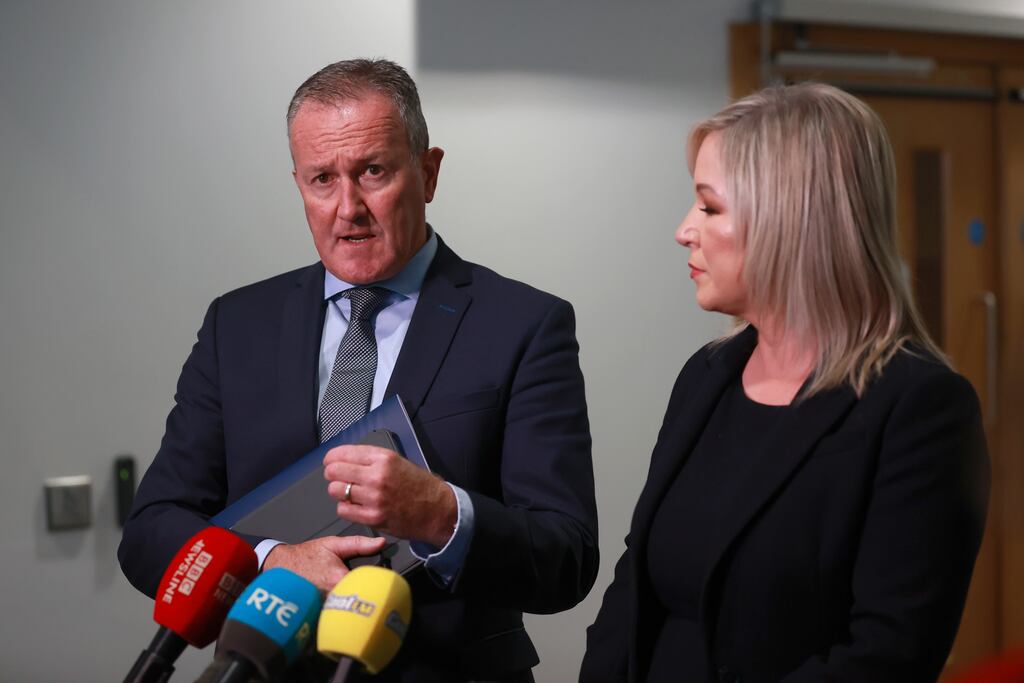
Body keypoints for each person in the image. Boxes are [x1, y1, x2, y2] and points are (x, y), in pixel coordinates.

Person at [118, 58, 598, 683]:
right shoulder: (237, 326)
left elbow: (566, 558)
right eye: (322, 178)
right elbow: (152, 530)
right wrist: (270, 563)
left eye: (373, 171)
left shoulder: (524, 324)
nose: (348, 208)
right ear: (299, 185)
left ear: (428, 173)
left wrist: (442, 514)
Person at [579, 83, 988, 683]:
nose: (684, 230)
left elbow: (888, 655)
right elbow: (635, 582)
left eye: (710, 207)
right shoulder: (706, 376)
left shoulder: (918, 408)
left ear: (790, 222)